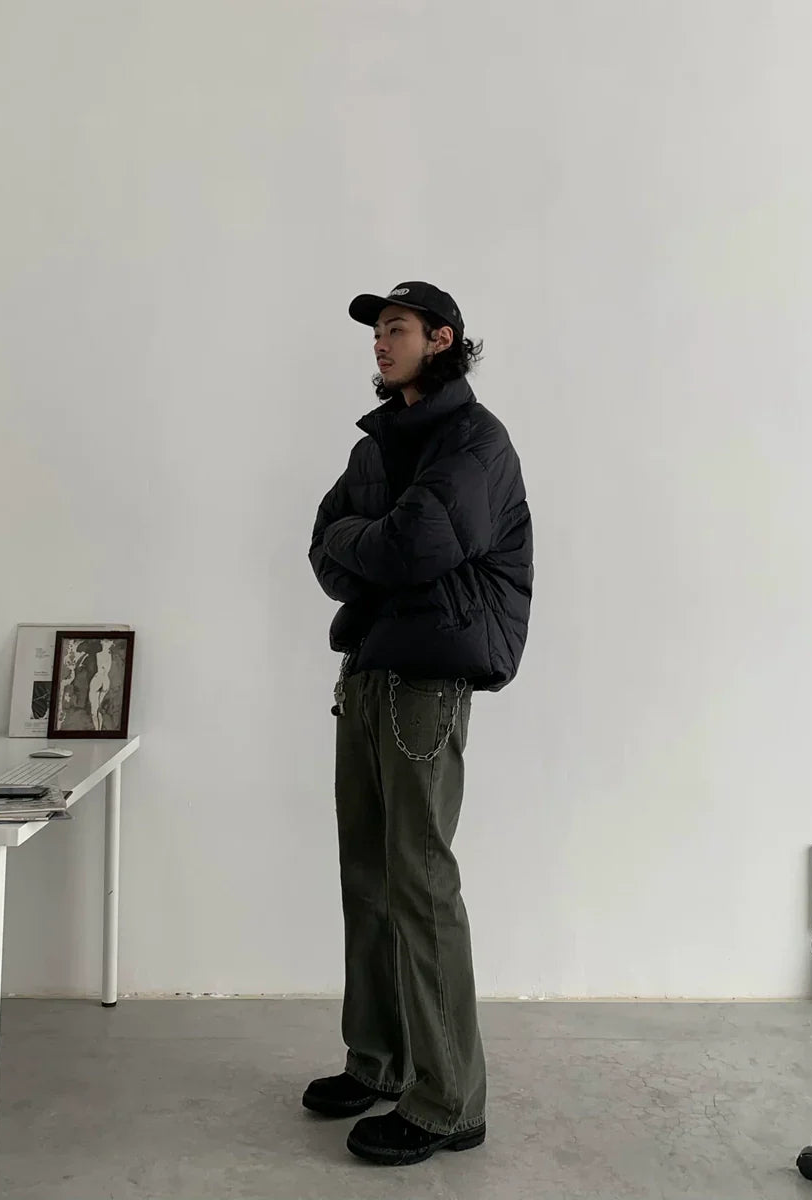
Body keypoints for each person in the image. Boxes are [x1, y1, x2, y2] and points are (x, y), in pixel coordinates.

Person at [306, 281, 533, 1166]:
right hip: (367, 672)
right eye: (376, 331)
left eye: (395, 328)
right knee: (366, 876)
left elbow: (413, 545)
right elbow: (324, 546)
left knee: (421, 881)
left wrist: (370, 543)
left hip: (427, 680)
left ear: (442, 339)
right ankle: (379, 1062)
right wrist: (369, 544)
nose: (379, 342)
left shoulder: (475, 441)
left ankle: (449, 1103)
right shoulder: (378, 444)